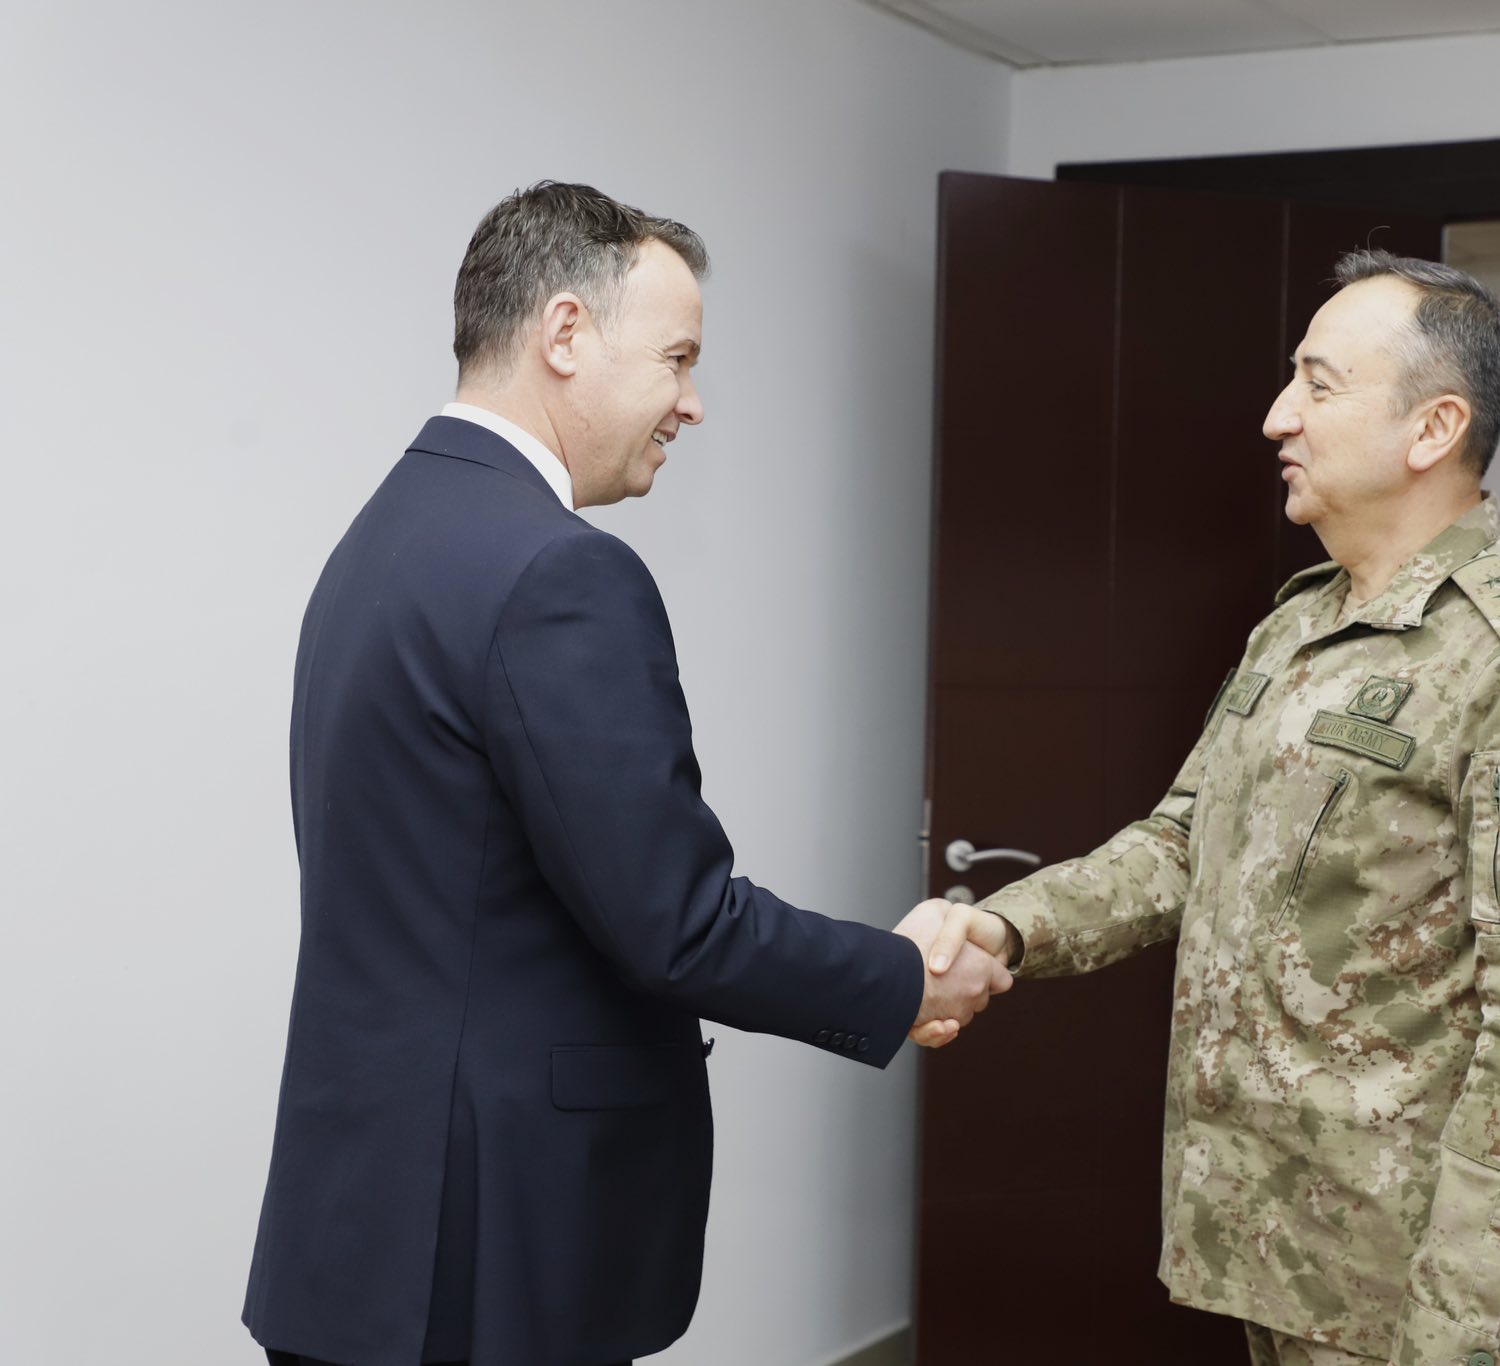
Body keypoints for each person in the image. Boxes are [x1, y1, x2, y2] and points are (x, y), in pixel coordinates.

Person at [242, 182, 1012, 1366]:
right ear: (564, 333)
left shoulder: (381, 537)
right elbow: (675, 922)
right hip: (493, 1244)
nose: (691, 403)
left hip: (363, 1230)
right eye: (677, 359)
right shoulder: (558, 572)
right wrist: (899, 976)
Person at [964, 250, 1500, 1366]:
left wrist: (1456, 1326)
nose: (1277, 416)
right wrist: (1004, 927)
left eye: (1318, 385)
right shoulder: (1299, 623)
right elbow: (1181, 843)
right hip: (1275, 1238)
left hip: (1409, 1287)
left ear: (1432, 428)